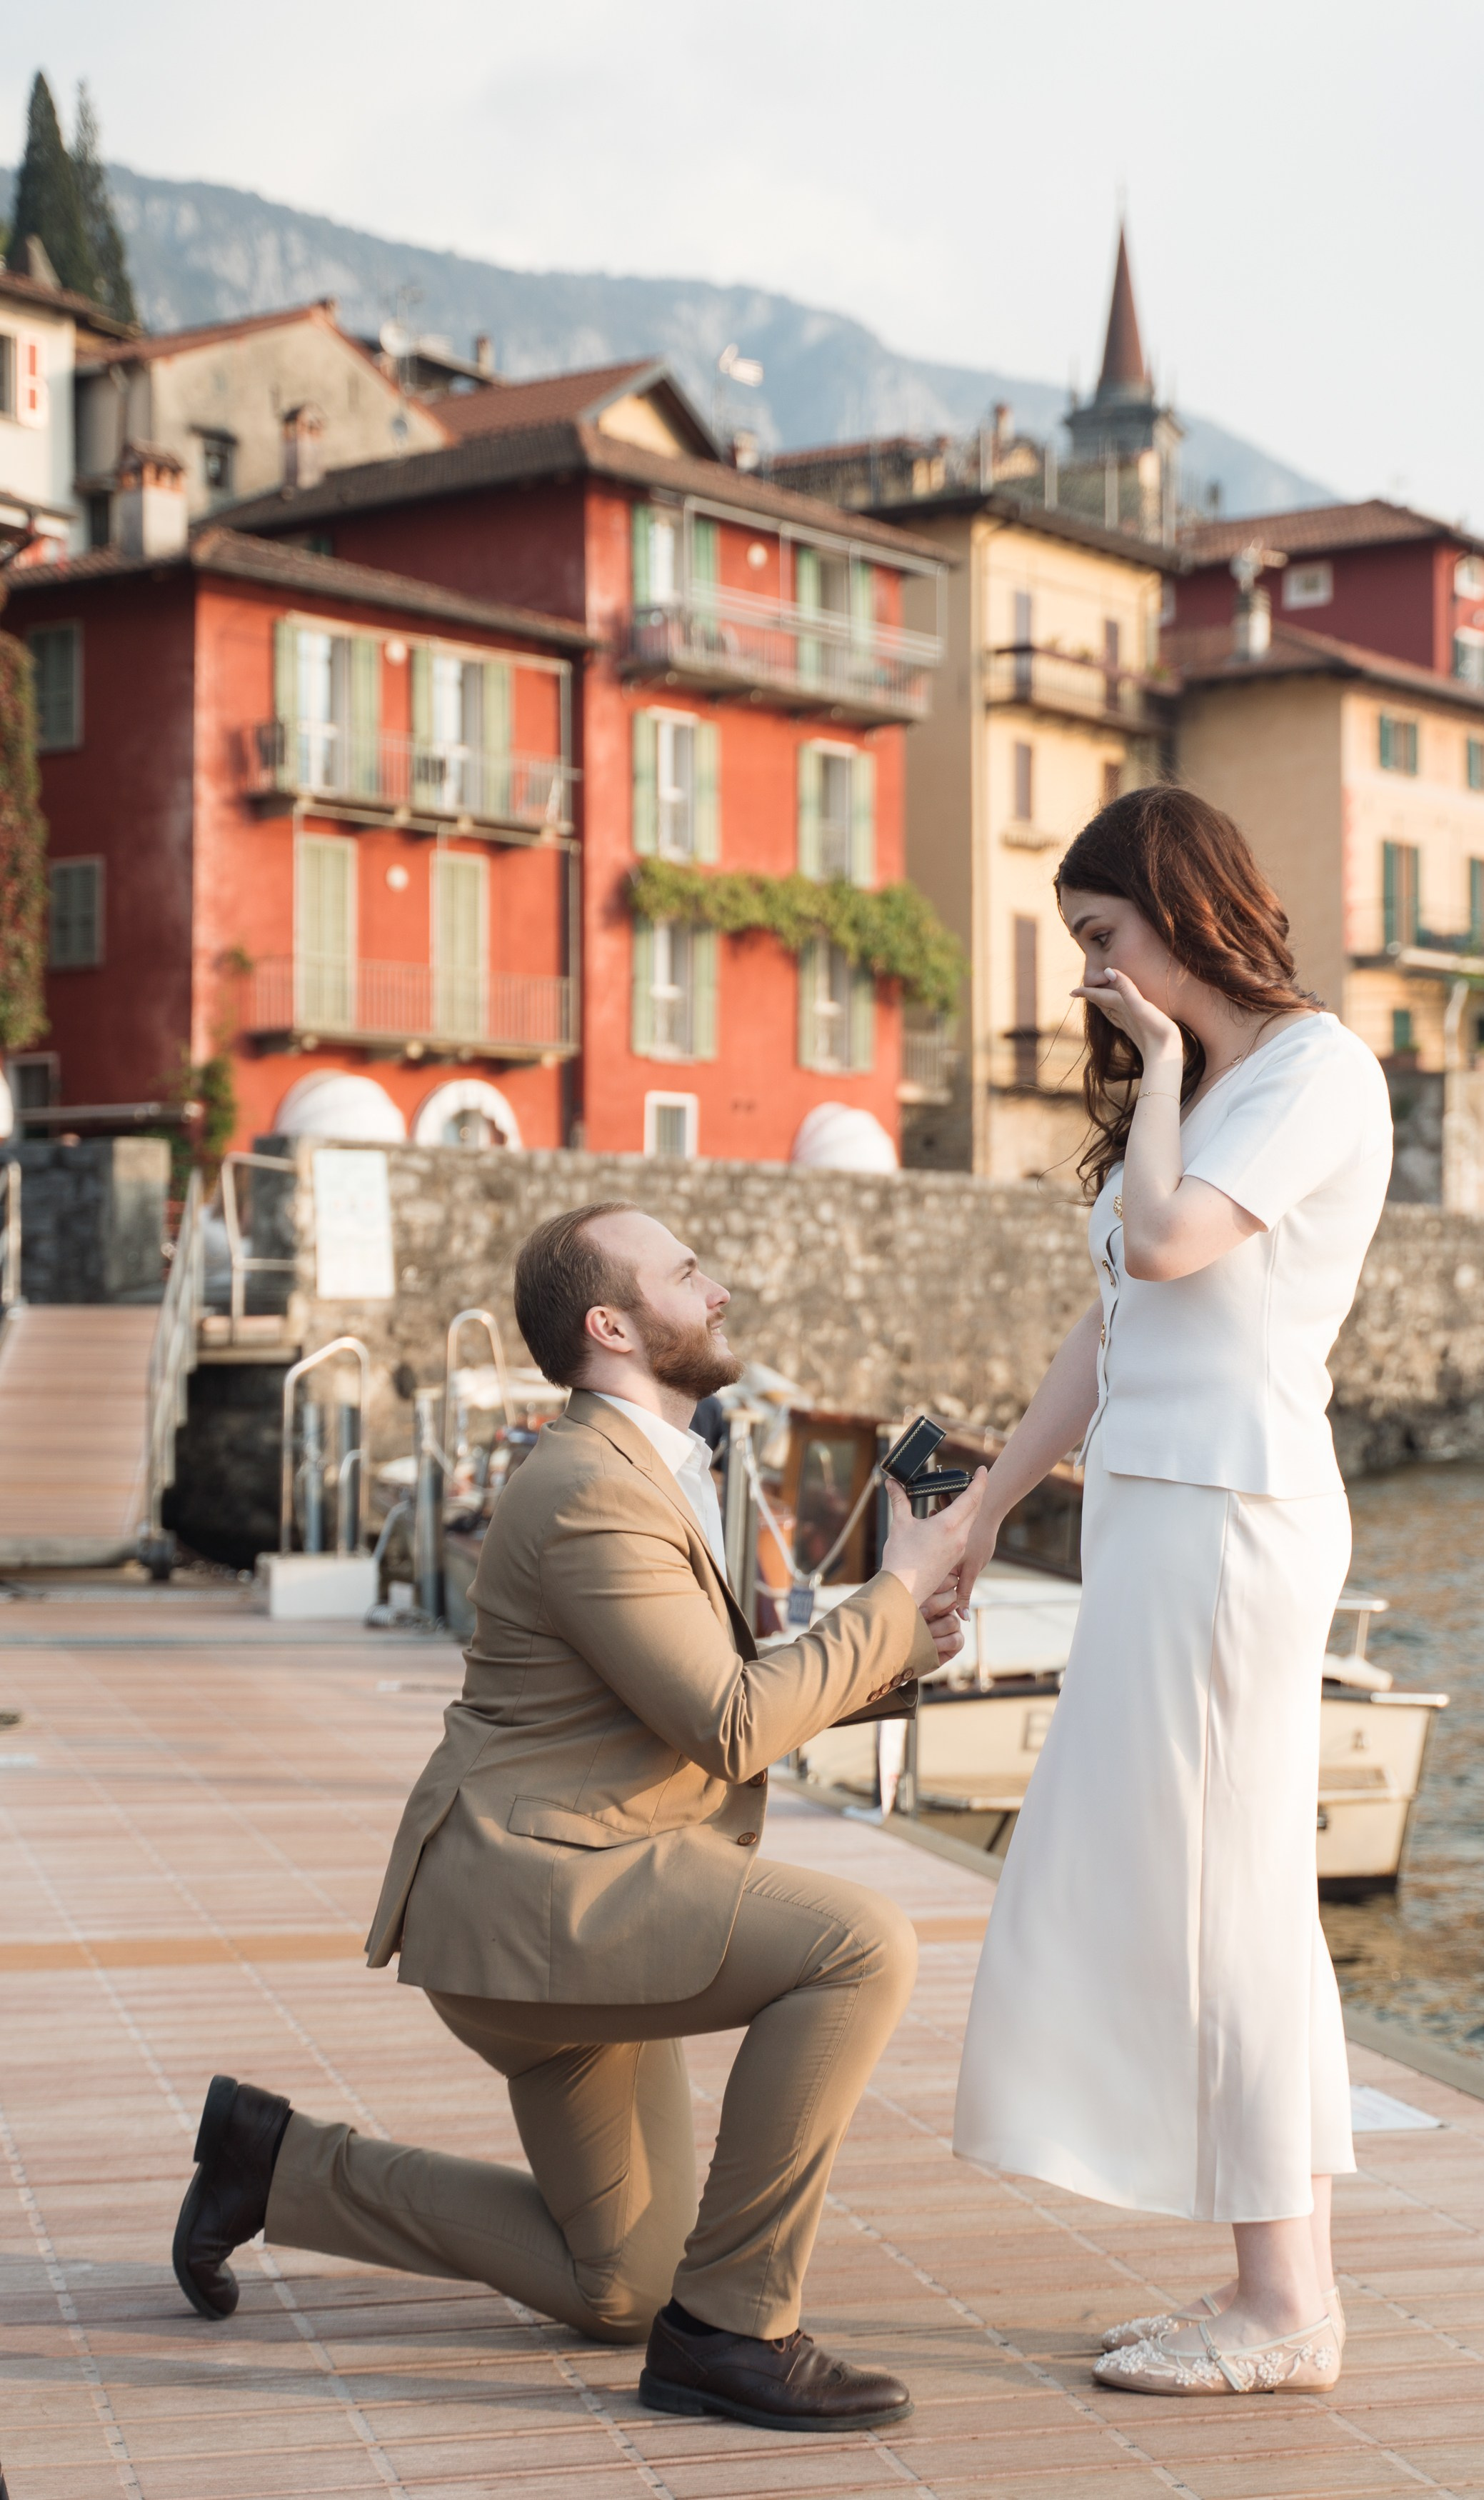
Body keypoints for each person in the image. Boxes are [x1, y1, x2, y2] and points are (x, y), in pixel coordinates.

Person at [171, 1201, 982, 2434]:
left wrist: (896, 1649)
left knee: (620, 2284)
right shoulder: (587, 1490)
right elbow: (726, 1724)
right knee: (861, 1944)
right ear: (611, 1325)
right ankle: (735, 2331)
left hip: (590, 1882)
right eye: (687, 1274)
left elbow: (703, 1708)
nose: (715, 1294)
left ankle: (272, 2165)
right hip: (538, 1900)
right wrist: (895, 1586)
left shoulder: (654, 1469)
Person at [951, 785, 1393, 2399]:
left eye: (1098, 937)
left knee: (1235, 1894)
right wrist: (990, 1507)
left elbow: (1169, 1246)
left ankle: (1287, 2304)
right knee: (1189, 1887)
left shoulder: (1312, 1069)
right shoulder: (1208, 1083)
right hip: (1159, 1512)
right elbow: (1103, 1330)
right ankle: (1265, 2284)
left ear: (1179, 911)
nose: (1084, 975)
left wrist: (1149, 1074)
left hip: (1233, 1514)